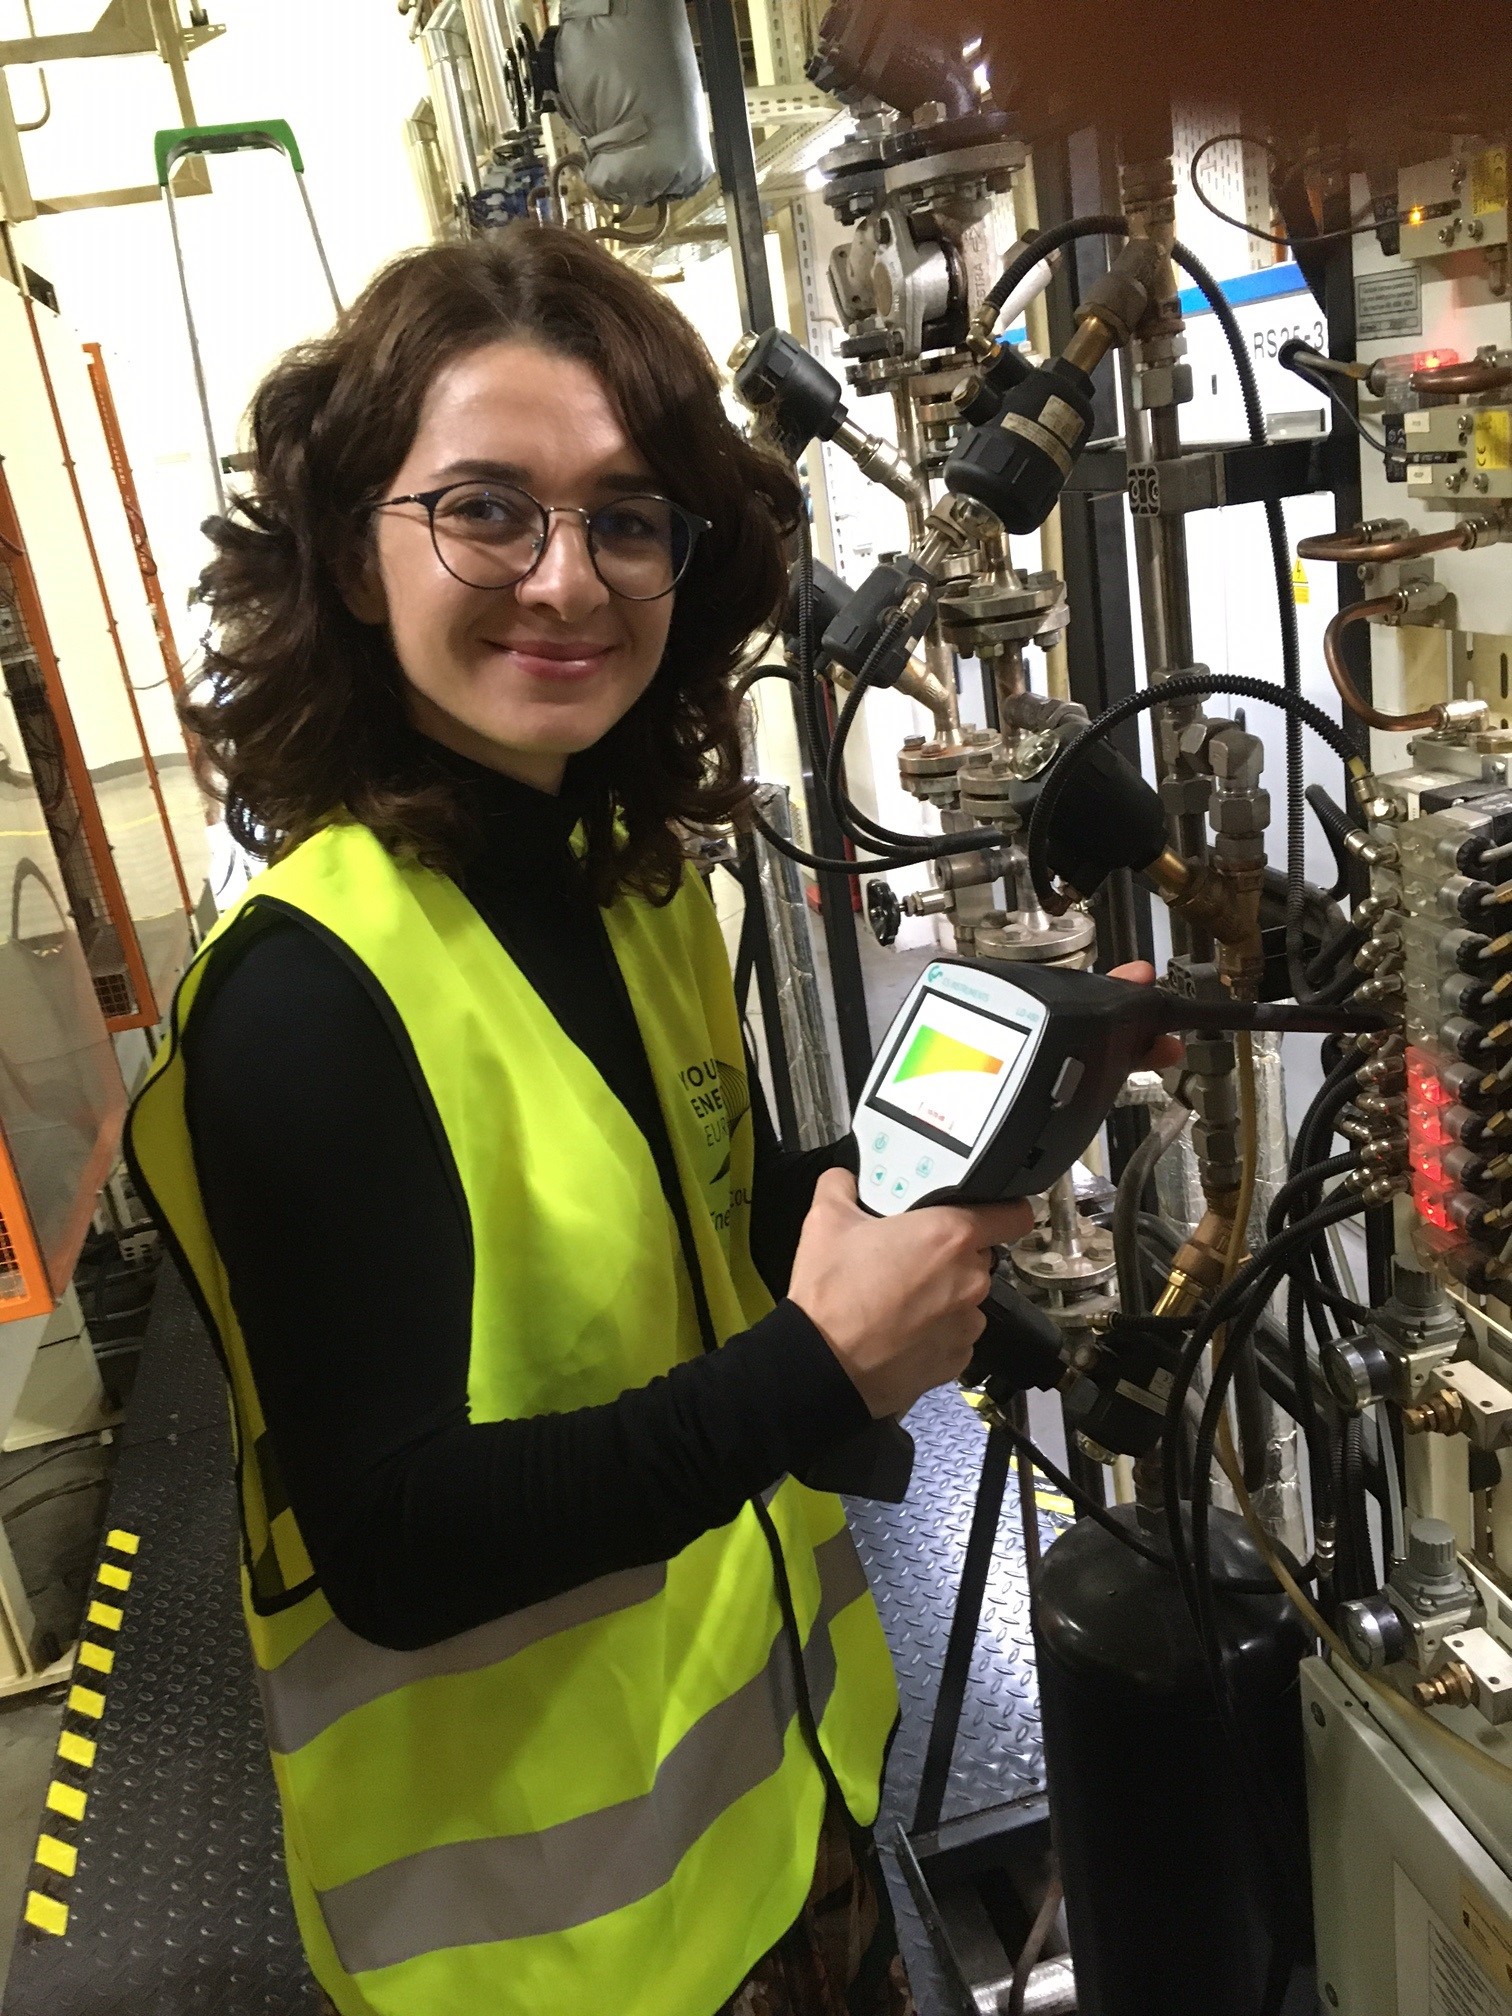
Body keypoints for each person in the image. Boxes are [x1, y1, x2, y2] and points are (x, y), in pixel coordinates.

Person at [126, 224, 1170, 2016]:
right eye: (484, 509)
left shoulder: (635, 883)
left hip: (783, 1822)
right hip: (543, 1952)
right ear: (359, 563)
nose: (566, 580)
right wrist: (817, 1371)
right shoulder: (307, 995)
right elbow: (394, 1539)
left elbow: (702, 1203)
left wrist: (932, 1246)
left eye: (625, 518)